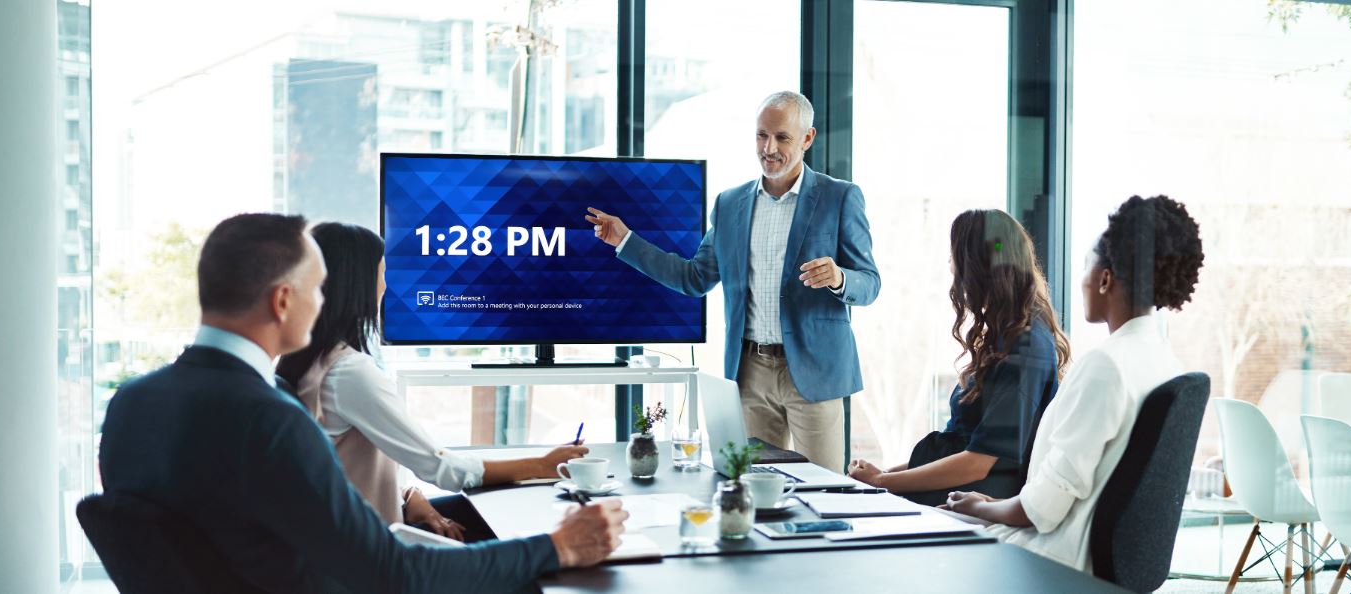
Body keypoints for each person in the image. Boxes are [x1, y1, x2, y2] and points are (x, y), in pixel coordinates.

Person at [97, 213, 627, 591]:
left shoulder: (130, 404)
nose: (324, 302)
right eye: (318, 289)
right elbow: (392, 575)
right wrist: (558, 547)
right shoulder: (273, 419)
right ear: (284, 301)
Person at [584, 91, 880, 472]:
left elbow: (869, 282)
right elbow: (694, 278)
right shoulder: (729, 204)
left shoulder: (840, 198)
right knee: (753, 488)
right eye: (761, 135)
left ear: (807, 139)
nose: (768, 148)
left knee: (823, 490)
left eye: (782, 138)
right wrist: (626, 240)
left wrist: (840, 278)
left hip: (815, 372)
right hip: (749, 373)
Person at [275, 222, 589, 542]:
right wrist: (542, 465)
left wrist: (410, 495)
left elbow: (345, 466)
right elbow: (442, 469)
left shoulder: (308, 362)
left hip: (349, 532)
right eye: (382, 274)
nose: (386, 286)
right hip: (374, 549)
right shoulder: (349, 374)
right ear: (358, 284)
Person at [944, 195, 1204, 571]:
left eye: (1085, 266)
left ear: (1104, 279)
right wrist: (986, 507)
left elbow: (1041, 510)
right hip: (1086, 556)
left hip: (1050, 557)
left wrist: (982, 507)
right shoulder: (1167, 363)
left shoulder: (1106, 365)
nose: (1081, 279)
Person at [845, 210, 1069, 506]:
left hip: (973, 499)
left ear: (977, 268)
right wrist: (882, 475)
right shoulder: (1006, 336)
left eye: (955, 258)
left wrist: (882, 482)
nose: (951, 266)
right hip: (958, 490)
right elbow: (960, 447)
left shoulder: (1025, 347)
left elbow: (977, 462)